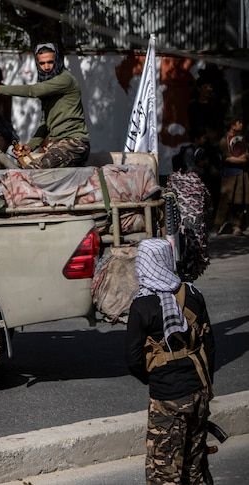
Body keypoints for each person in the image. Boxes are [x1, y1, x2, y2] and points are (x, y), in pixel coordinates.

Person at [125, 238, 215, 485]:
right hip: (198, 391)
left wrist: (155, 379)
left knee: (164, 472)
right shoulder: (193, 293)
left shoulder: (142, 305)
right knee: (194, 468)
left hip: (167, 398)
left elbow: (133, 359)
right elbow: (209, 345)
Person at [0, 43, 90, 169]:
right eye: (42, 63)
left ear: (58, 61)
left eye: (50, 62)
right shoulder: (48, 86)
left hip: (74, 143)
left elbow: (34, 91)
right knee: (21, 165)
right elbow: (45, 122)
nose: (47, 67)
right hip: (57, 143)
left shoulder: (65, 79)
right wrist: (30, 146)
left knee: (32, 169)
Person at [213, 118, 248, 236]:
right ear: (233, 125)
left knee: (240, 201)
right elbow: (227, 157)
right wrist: (239, 160)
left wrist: (241, 159)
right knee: (225, 201)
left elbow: (246, 155)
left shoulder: (242, 139)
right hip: (229, 174)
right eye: (239, 123)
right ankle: (217, 226)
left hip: (242, 173)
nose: (241, 125)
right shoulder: (224, 140)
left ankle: (236, 226)